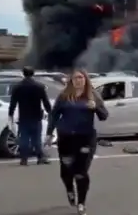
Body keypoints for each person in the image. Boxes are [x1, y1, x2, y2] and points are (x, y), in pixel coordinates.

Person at [45, 69, 108, 215]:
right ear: (71, 80)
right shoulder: (64, 96)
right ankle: (69, 189)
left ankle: (81, 203)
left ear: (85, 79)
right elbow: (54, 115)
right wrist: (49, 133)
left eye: (81, 77)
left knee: (80, 171)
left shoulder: (93, 95)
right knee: (66, 171)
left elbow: (104, 116)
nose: (78, 80)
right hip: (66, 138)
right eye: (75, 78)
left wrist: (96, 107)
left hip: (85, 138)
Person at [8, 66, 53, 165]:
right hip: (36, 115)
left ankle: (24, 159)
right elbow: (45, 101)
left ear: (23, 74)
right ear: (33, 73)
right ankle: (40, 157)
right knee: (36, 138)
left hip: (24, 116)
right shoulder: (39, 86)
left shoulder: (17, 87)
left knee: (24, 138)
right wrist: (50, 112)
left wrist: (10, 114)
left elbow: (13, 103)